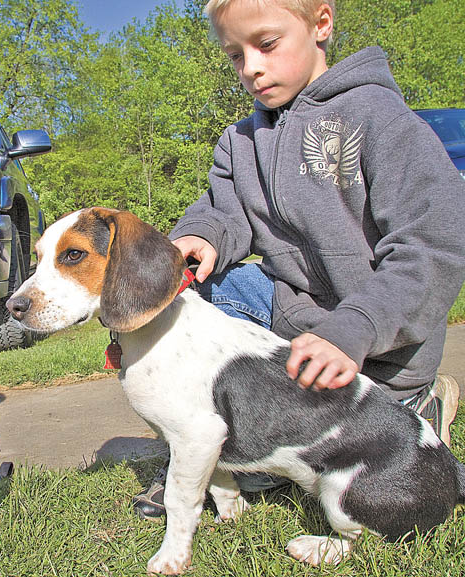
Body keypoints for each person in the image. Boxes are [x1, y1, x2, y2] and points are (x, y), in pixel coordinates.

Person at [133, 0, 465, 519]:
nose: (252, 67)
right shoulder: (241, 142)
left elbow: (434, 245)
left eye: (266, 45)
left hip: (379, 349)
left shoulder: (381, 120)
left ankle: (414, 410)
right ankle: (226, 441)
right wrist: (203, 235)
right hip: (292, 324)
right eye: (235, 56)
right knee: (186, 291)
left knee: (380, 427)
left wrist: (353, 328)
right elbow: (226, 209)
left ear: (321, 24)